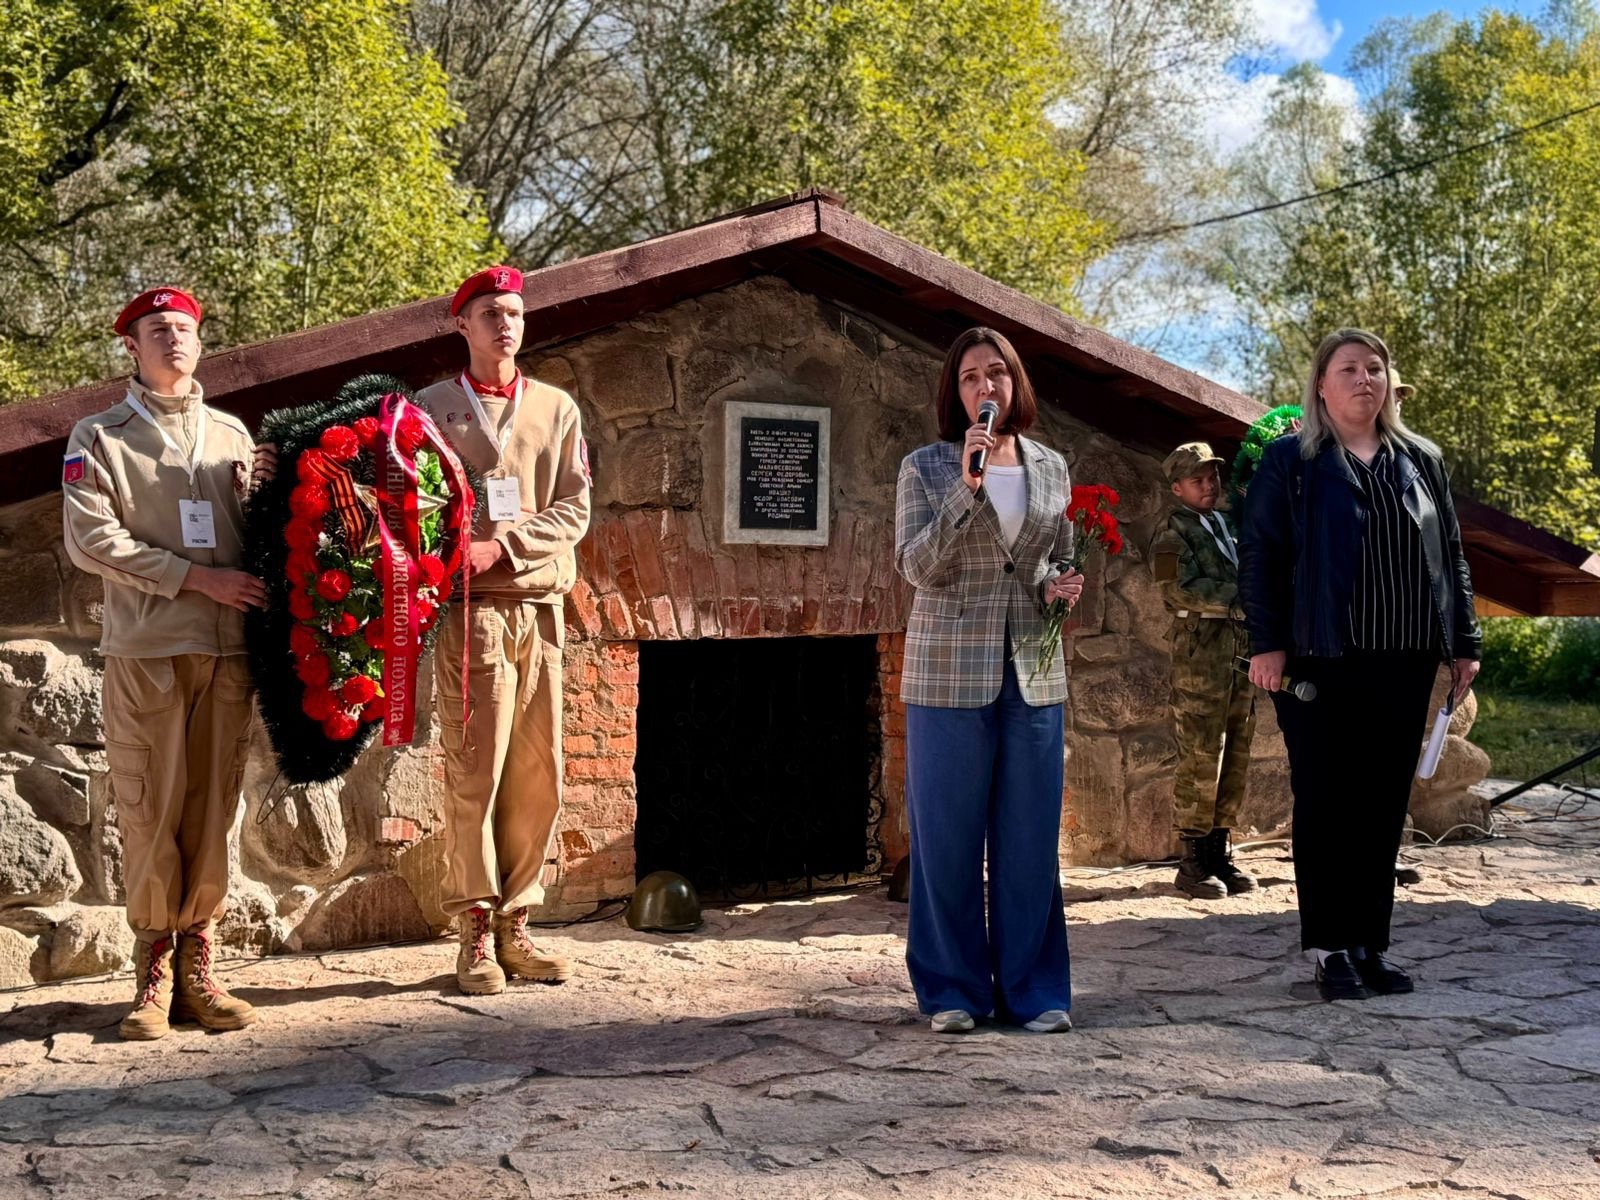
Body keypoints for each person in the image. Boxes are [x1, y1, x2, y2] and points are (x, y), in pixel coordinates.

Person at [1240, 329, 1480, 1001]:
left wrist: (1465, 642)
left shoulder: (1421, 460)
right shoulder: (1292, 460)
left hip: (1404, 659)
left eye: (1374, 368)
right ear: (1322, 385)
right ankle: (1329, 947)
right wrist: (1267, 643)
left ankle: (1370, 945)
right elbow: (1259, 555)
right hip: (1321, 660)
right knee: (1326, 803)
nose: (1364, 379)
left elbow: (1452, 556)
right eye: (1348, 368)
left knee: (1380, 807)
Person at [62, 287, 267, 1040]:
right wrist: (197, 578)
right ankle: (150, 974)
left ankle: (198, 972)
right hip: (148, 649)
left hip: (228, 651)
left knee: (213, 808)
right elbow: (92, 542)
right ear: (132, 348)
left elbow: (261, 538)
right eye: (158, 330)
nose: (173, 339)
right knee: (150, 810)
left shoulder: (234, 437)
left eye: (183, 329)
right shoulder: (99, 437)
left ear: (199, 343)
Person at [893, 326, 1084, 1034]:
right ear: (956, 392)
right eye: (971, 376)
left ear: (1016, 385)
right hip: (946, 673)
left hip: (1033, 672)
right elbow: (917, 566)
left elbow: (1046, 564)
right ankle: (952, 992)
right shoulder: (927, 467)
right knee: (946, 838)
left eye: (996, 374)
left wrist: (1060, 585)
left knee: (1029, 838)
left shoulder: (1052, 468)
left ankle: (1035, 992)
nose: (986, 387)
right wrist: (967, 491)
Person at [415, 266, 592, 996]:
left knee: (538, 772)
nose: (505, 324)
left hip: (540, 609)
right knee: (475, 774)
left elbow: (576, 507)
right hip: (472, 615)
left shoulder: (555, 408)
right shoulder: (428, 410)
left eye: (514, 313)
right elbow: (414, 507)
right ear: (463, 325)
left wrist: (508, 545)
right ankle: (475, 930)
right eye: (489, 313)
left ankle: (520, 920)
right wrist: (463, 551)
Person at [1150, 443, 1257, 899]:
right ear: (1177, 488)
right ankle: (1192, 859)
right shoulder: (1170, 534)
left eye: (1213, 477)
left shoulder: (1230, 525)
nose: (1209, 485)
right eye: (1198, 480)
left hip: (1240, 653)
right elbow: (1177, 590)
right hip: (1201, 657)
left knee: (1236, 750)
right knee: (1200, 755)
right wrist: (1244, 595)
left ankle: (1220, 849)